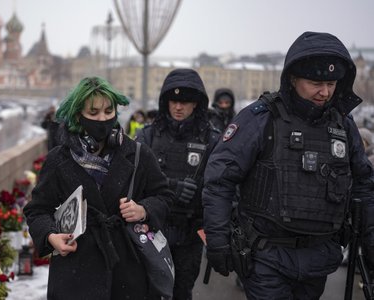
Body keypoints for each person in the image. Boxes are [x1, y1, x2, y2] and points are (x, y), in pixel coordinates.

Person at [202, 31, 374, 299]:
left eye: (331, 83)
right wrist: (218, 242)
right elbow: (219, 180)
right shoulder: (261, 119)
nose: (325, 92)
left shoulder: (343, 124)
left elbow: (364, 187)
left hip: (319, 258)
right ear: (293, 79)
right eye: (316, 82)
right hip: (265, 257)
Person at [23, 76, 173, 299]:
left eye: (108, 111)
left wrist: (143, 210)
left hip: (128, 267)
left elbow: (165, 196)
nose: (102, 119)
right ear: (78, 116)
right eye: (93, 114)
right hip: (75, 269)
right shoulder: (59, 159)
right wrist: (51, 236)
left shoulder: (138, 153)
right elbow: (37, 210)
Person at [136, 68, 219, 299]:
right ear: (166, 102)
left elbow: (223, 187)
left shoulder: (212, 139)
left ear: (197, 104)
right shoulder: (148, 136)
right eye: (174, 101)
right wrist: (173, 187)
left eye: (185, 101)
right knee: (149, 291)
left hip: (189, 234)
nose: (179, 107)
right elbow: (134, 179)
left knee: (181, 291)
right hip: (151, 231)